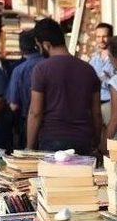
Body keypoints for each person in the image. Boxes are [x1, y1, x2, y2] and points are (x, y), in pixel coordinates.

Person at [26, 18, 102, 155]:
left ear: (46, 44)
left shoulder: (41, 69)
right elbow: (96, 113)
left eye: (38, 46)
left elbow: (35, 113)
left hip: (52, 140)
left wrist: (29, 147)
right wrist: (96, 141)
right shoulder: (88, 70)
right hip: (83, 140)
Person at [6, 29, 44, 148]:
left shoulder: (19, 70)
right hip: (52, 124)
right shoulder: (50, 64)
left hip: (27, 122)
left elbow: (14, 105)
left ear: (21, 48)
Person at [90, 23, 116, 126]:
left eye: (104, 36)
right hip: (94, 103)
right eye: (98, 37)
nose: (101, 40)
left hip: (110, 103)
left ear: (111, 37)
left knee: (110, 137)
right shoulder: (93, 59)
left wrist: (104, 79)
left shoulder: (116, 59)